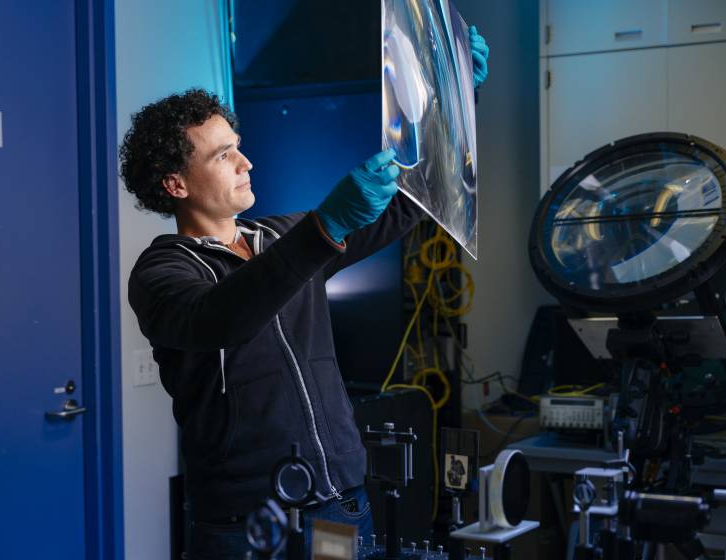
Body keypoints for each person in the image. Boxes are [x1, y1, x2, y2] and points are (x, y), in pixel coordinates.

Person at [122, 27, 489, 560]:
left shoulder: (279, 236)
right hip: (242, 518)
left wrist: (455, 106)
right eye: (224, 156)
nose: (246, 163)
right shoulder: (162, 271)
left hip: (339, 499)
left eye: (239, 148)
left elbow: (412, 201)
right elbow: (217, 318)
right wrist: (323, 230)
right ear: (176, 184)